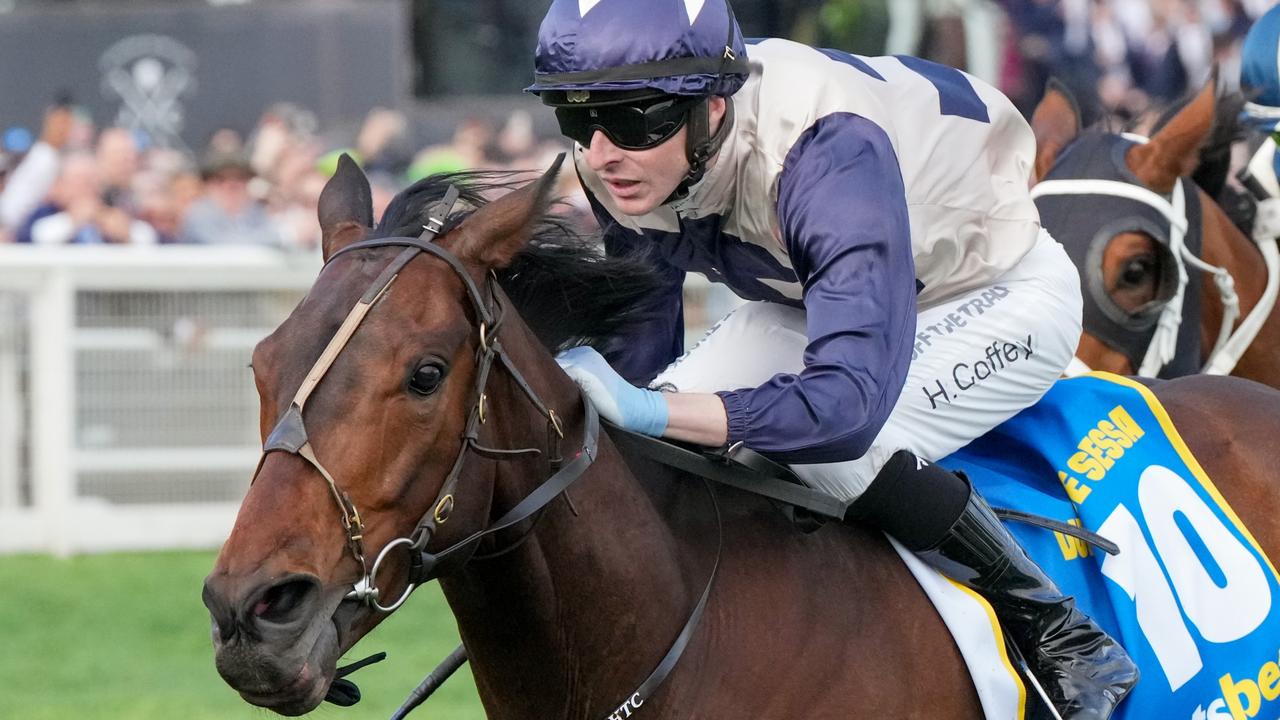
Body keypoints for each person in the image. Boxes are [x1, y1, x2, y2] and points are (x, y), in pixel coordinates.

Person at [527, 1, 1138, 717]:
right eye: (577, 117)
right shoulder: (622, 155)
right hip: (819, 300)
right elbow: (642, 341)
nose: (600, 153)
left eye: (633, 120)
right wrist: (635, 410)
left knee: (825, 447)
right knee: (665, 421)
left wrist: (660, 409)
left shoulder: (825, 148)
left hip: (998, 291)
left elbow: (843, 408)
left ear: (714, 104)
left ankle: (1059, 629)